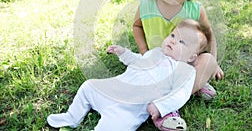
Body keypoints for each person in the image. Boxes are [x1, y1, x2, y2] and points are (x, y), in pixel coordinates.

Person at [47, 19, 217, 131]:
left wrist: (160, 106)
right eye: (173, 35)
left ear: (191, 57)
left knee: (114, 126)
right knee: (89, 86)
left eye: (181, 42)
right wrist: (124, 53)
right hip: (115, 89)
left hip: (130, 108)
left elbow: (180, 94)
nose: (173, 40)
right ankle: (71, 117)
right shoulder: (155, 53)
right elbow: (137, 61)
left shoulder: (183, 71)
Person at [132, 0, 224, 129]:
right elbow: (137, 26)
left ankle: (192, 85)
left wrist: (214, 62)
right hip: (158, 64)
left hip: (187, 64)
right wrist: (144, 52)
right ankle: (167, 108)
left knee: (207, 61)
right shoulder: (146, 5)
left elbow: (209, 35)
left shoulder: (195, 9)